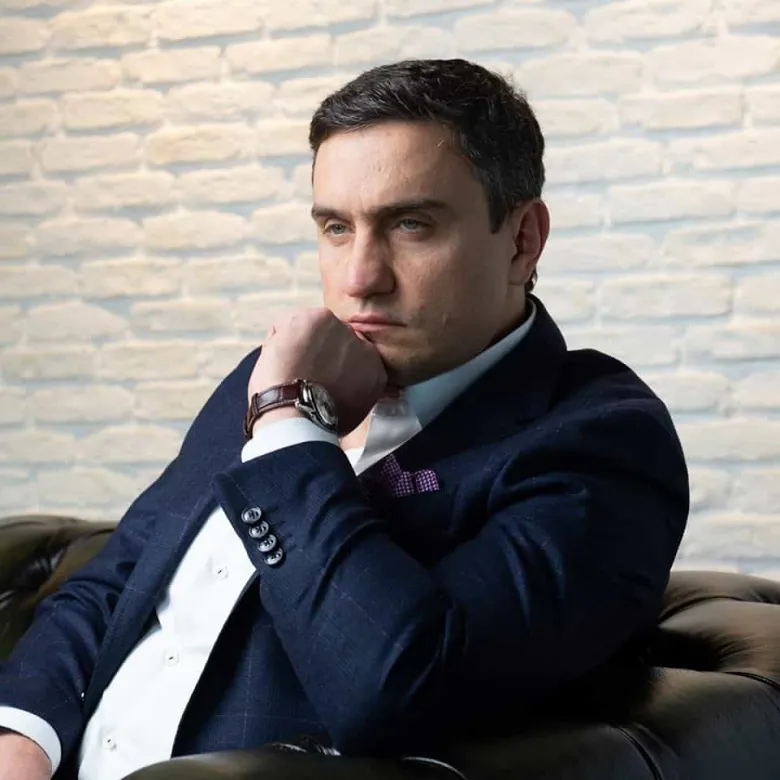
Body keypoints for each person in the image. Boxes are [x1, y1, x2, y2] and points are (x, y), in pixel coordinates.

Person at [0, 58, 689, 780]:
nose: (360, 278)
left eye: (411, 225)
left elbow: (399, 685)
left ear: (522, 240)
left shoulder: (598, 440)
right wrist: (22, 735)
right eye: (335, 227)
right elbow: (116, 579)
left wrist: (288, 426)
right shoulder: (272, 372)